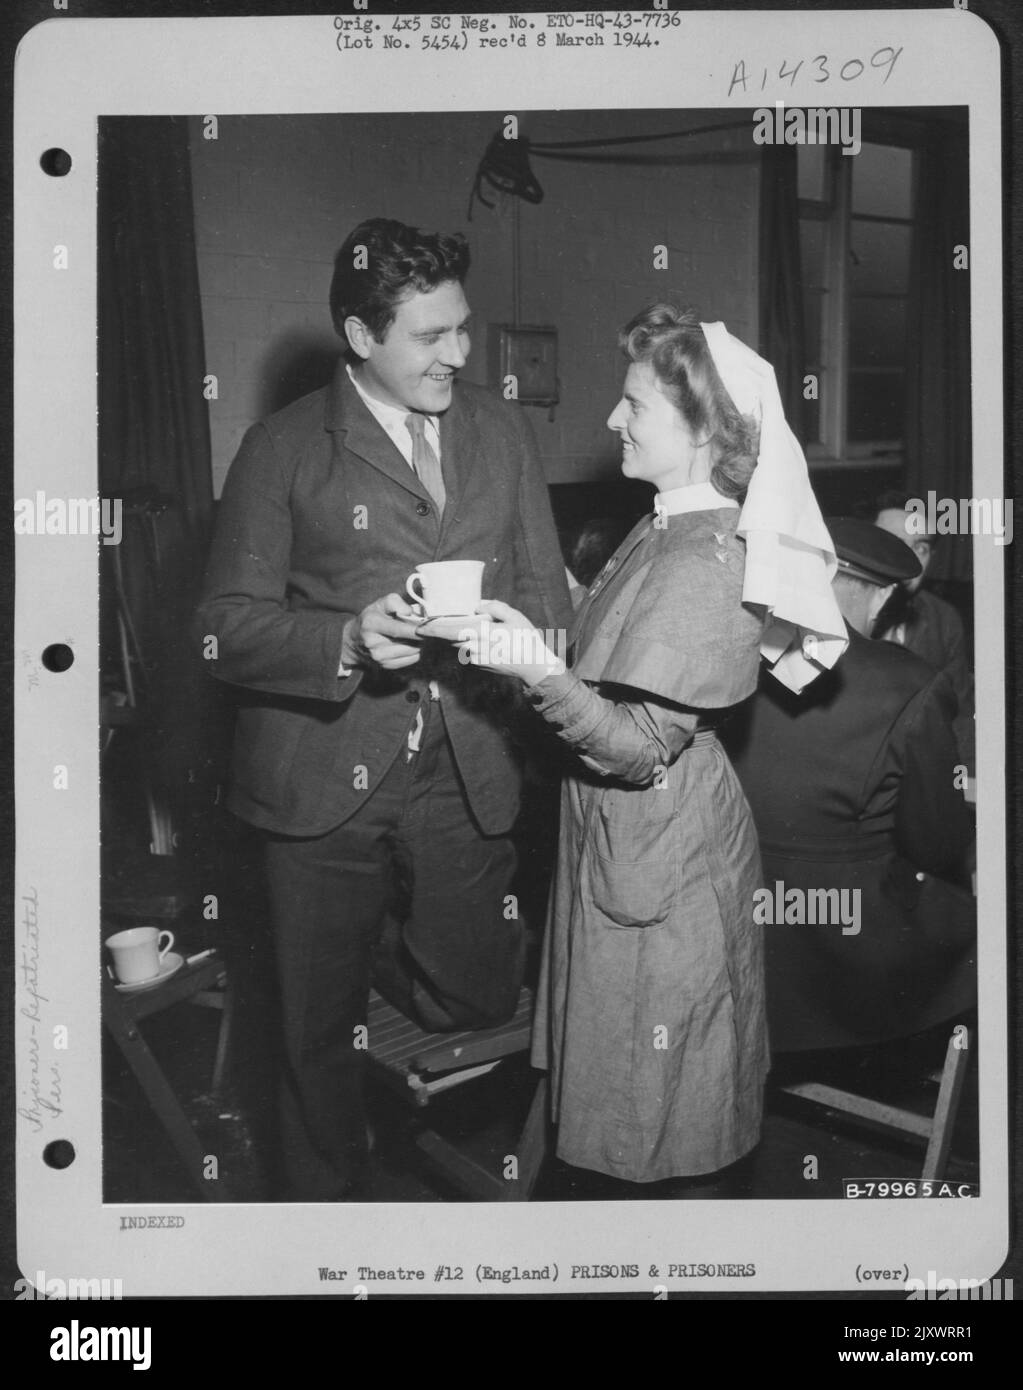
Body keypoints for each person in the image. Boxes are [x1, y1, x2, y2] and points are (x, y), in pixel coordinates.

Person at [196, 217, 572, 1200]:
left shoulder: (500, 431)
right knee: (313, 1037)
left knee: (477, 995)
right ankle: (325, 1223)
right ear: (361, 336)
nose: (460, 353)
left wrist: (530, 655)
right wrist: (348, 639)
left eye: (462, 328)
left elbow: (547, 598)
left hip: (465, 763)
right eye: (430, 335)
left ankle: (358, 954)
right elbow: (222, 627)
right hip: (320, 774)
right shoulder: (281, 447)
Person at [446, 305, 846, 1185]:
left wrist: (533, 667)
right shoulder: (667, 523)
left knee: (663, 1105)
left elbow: (638, 748)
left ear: (703, 429)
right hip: (624, 841)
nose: (611, 420)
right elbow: (611, 648)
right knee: (624, 1085)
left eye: (634, 405)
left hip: (661, 851)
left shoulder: (709, 560)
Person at [725, 518, 975, 1054]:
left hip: (736, 931)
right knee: (987, 924)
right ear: (882, 596)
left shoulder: (737, 653)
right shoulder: (911, 682)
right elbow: (937, 842)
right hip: (844, 953)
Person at [873, 491, 975, 773]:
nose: (907, 560)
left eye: (920, 548)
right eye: (893, 543)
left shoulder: (943, 619)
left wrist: (968, 783)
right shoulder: (833, 616)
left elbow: (960, 715)